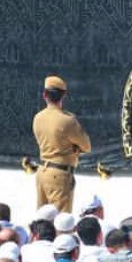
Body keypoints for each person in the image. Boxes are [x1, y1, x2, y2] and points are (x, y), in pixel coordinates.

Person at [31, 75, 91, 214]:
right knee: (61, 221)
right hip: (59, 175)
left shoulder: (38, 117)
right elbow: (87, 146)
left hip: (42, 171)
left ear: (44, 95)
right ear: (63, 95)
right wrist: (74, 149)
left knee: (42, 219)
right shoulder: (67, 121)